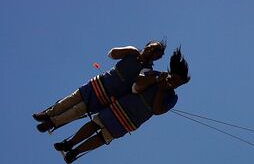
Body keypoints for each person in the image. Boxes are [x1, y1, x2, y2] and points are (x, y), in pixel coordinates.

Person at [54, 47, 190, 164]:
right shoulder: (154, 74)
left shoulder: (172, 97)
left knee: (104, 136)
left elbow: (157, 110)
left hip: (132, 119)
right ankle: (69, 143)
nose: (174, 84)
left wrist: (160, 89)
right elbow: (136, 86)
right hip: (122, 105)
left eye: (178, 84)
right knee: (95, 123)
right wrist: (155, 80)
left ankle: (75, 153)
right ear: (171, 73)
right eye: (175, 79)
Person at [33, 40, 166, 132]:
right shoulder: (132, 52)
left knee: (79, 110)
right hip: (99, 82)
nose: (151, 51)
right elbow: (112, 54)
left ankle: (53, 122)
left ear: (156, 58)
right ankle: (47, 114)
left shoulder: (147, 70)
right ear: (147, 45)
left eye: (155, 52)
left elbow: (136, 87)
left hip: (107, 95)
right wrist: (130, 50)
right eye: (151, 47)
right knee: (71, 99)